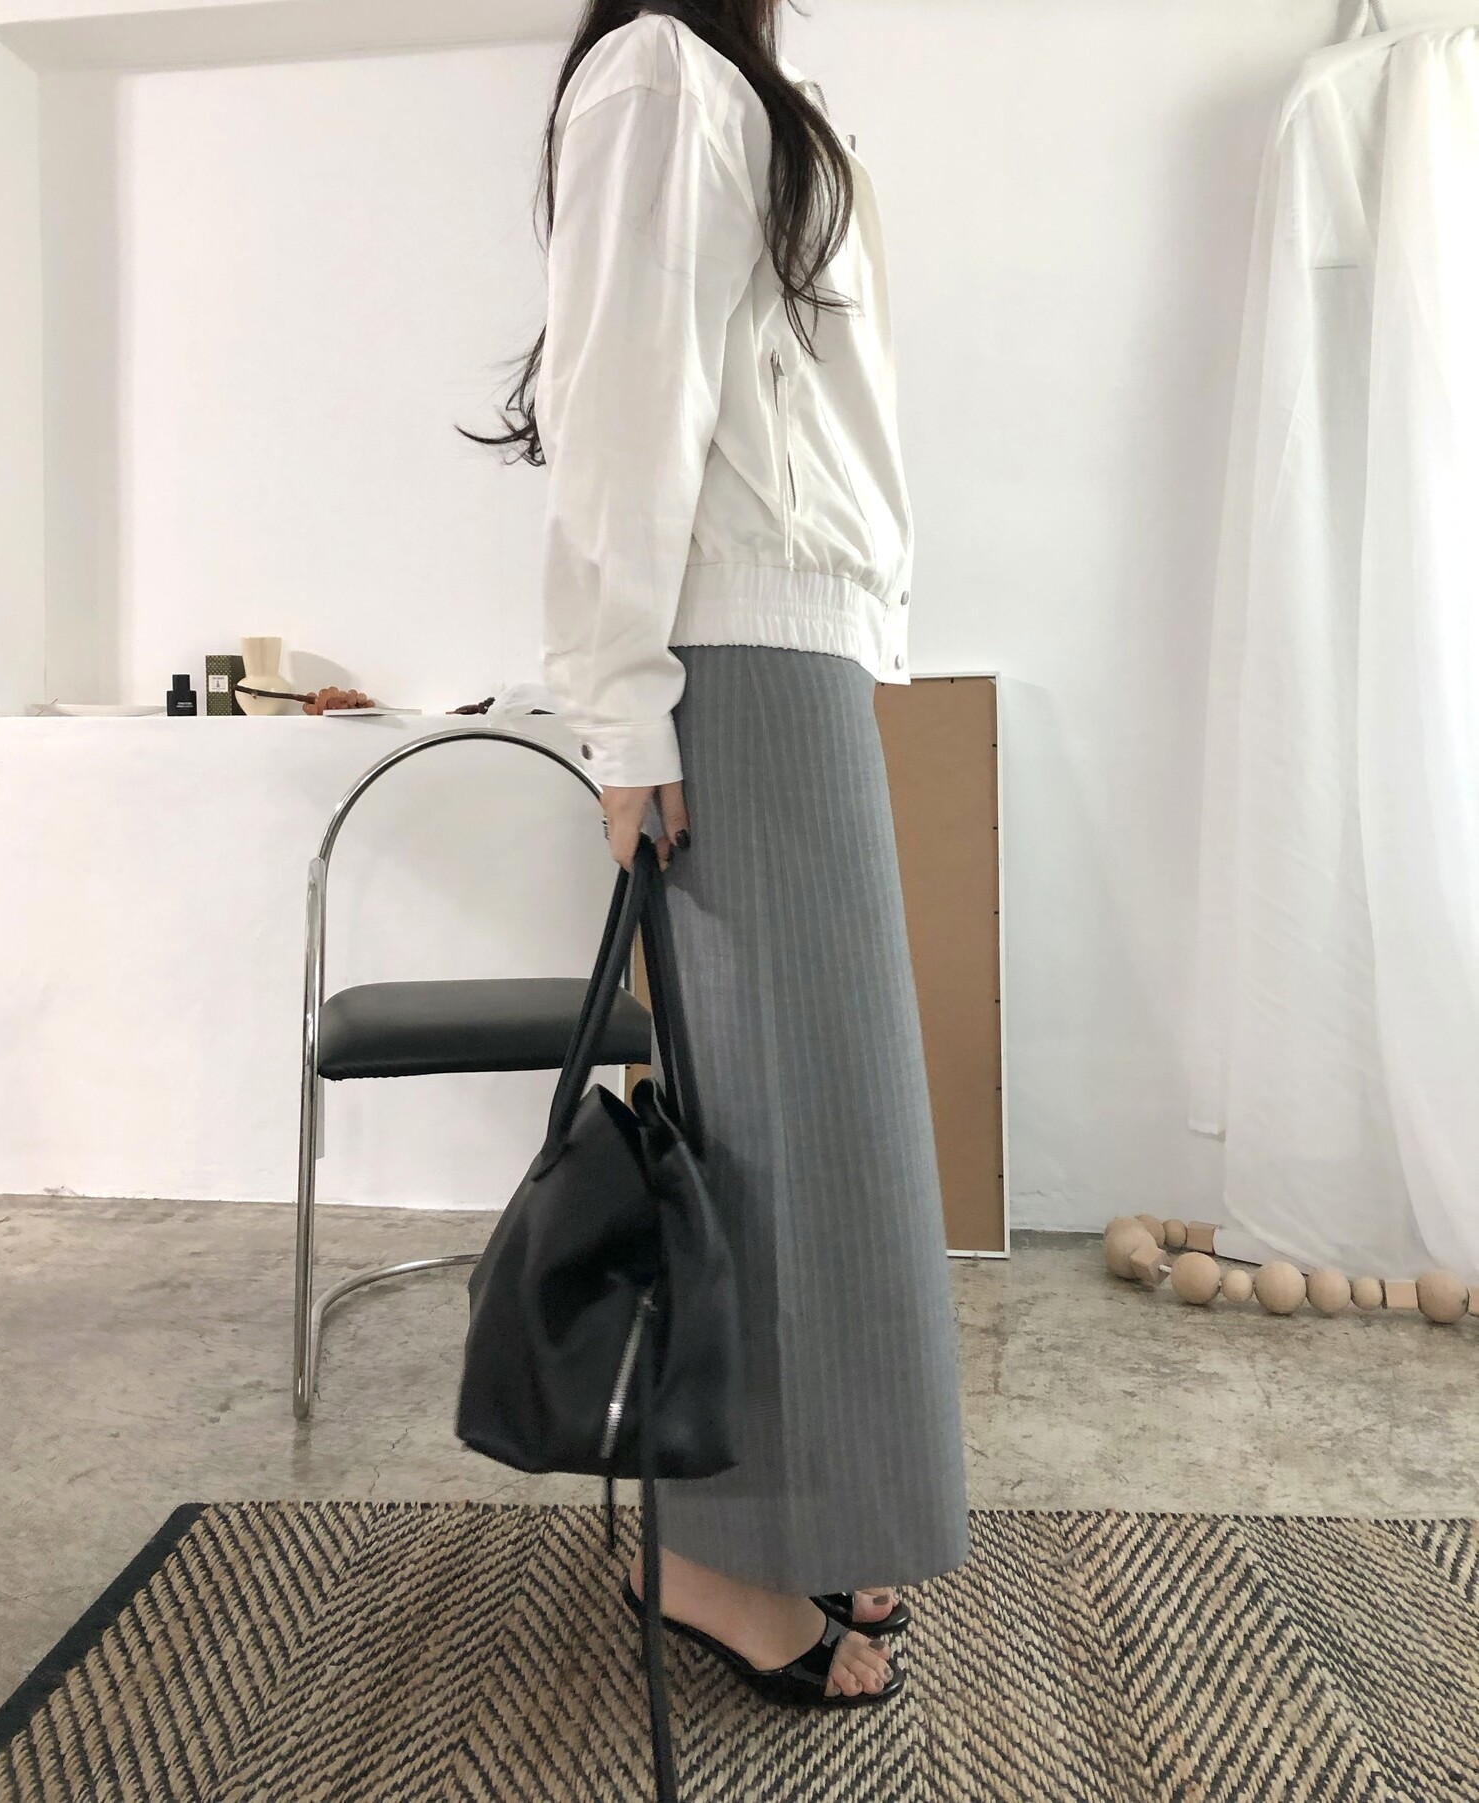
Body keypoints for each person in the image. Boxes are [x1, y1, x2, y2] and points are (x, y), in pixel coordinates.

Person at [468, 0, 970, 1708]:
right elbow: (625, 403)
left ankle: (802, 1517)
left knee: (815, 1124)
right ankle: (707, 1552)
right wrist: (619, 710)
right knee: (772, 1130)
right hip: (728, 664)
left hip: (788, 651)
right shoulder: (662, 75)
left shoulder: (761, 88)